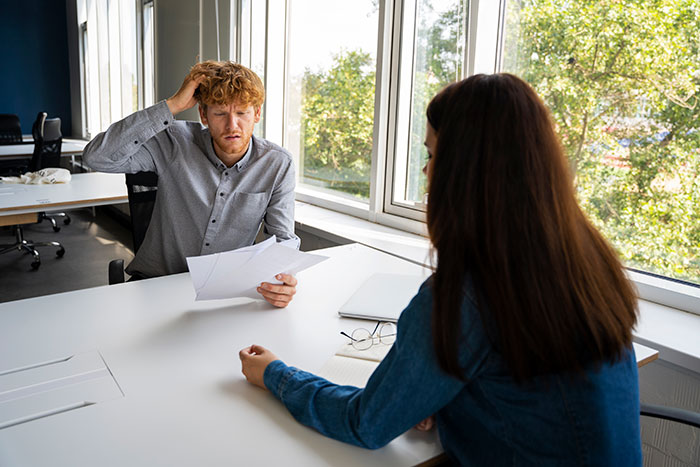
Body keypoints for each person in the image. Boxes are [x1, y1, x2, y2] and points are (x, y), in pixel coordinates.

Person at [239, 73, 642, 464]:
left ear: (467, 171)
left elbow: (365, 424)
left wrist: (275, 374)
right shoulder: (587, 258)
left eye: (432, 155)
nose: (426, 171)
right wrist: (440, 396)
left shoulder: (467, 291)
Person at [83, 61, 299, 307]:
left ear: (257, 113)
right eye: (219, 113)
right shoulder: (174, 141)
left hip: (223, 293)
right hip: (155, 286)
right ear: (203, 115)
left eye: (242, 113)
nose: (232, 125)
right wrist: (172, 106)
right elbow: (96, 157)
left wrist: (284, 279)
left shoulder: (277, 164)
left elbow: (283, 239)